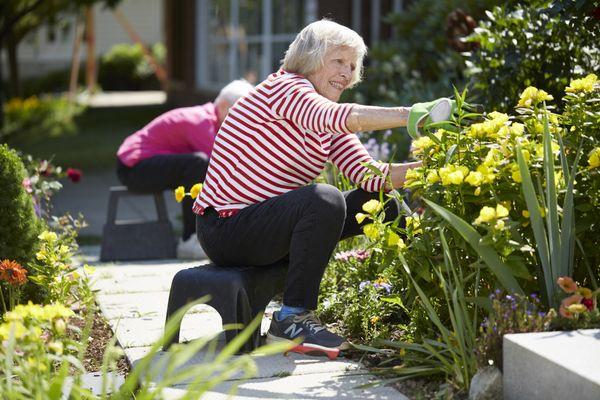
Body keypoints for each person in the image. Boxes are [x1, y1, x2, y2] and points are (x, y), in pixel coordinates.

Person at [193, 20, 440, 354]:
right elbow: (336, 117)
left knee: (385, 203)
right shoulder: (286, 89)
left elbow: (370, 175)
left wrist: (434, 170)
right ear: (311, 57)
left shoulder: (326, 115)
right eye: (338, 61)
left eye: (352, 65)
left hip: (266, 228)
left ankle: (429, 295)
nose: (346, 72)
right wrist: (410, 115)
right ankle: (292, 319)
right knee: (324, 198)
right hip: (226, 227)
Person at [116, 79, 254, 259]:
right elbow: (222, 164)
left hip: (141, 165)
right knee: (198, 164)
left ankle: (203, 236)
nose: (244, 120)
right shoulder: (201, 121)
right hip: (133, 168)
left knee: (198, 166)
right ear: (224, 105)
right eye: (241, 112)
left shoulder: (212, 121)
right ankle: (190, 240)